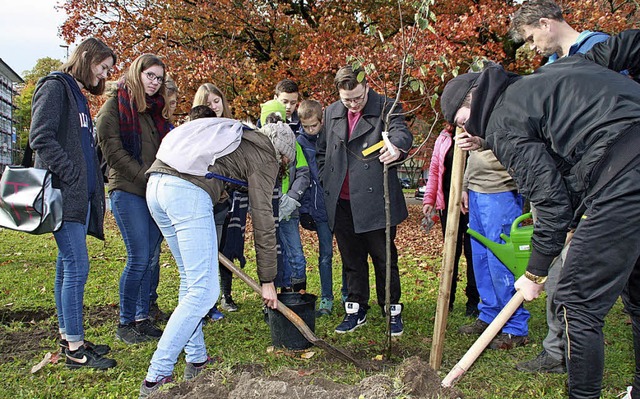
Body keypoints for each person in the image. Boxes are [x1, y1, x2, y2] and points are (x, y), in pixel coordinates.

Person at [440, 30, 640, 399]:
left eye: (461, 120)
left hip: (623, 177)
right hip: (622, 178)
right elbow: (629, 44)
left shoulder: (502, 122)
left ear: (475, 100)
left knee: (577, 303)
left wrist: (535, 271)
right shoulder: (563, 69)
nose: (465, 131)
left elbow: (549, 202)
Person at [139, 110, 295, 398]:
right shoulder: (266, 155)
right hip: (185, 191)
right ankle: (156, 376)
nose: (283, 166)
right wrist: (268, 279)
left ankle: (196, 359)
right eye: (286, 161)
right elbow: (264, 220)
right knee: (204, 291)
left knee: (191, 282)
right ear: (283, 154)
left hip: (157, 186)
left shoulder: (235, 136)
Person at [509, 0, 611, 374]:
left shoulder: (599, 51)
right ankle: (557, 348)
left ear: (547, 23)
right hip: (558, 186)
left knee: (571, 276)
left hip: (596, 185)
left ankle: (570, 349)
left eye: (532, 37)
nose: (533, 46)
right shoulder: (550, 67)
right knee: (554, 270)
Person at [29, 37, 117, 369]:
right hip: (63, 196)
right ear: (86, 58)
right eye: (102, 67)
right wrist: (72, 175)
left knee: (67, 267)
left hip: (79, 199)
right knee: (77, 267)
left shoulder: (77, 93)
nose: (104, 75)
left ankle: (70, 338)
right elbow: (39, 137)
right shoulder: (54, 86)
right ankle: (76, 351)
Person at [317, 66, 413, 336]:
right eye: (347, 99)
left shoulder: (385, 107)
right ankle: (355, 309)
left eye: (358, 98)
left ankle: (391, 310)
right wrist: (327, 179)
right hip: (342, 202)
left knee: (384, 259)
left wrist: (396, 147)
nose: (353, 104)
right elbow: (322, 152)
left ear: (367, 87)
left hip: (375, 201)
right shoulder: (331, 111)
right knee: (351, 260)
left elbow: (401, 132)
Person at [96, 53, 172, 344]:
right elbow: (113, 153)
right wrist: (147, 176)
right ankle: (126, 322)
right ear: (136, 72)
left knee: (151, 257)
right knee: (139, 256)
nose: (154, 82)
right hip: (127, 190)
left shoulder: (155, 110)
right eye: (150, 75)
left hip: (154, 191)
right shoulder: (114, 107)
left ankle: (142, 318)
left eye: (159, 78)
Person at [458, 142, 528, 349]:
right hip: (476, 190)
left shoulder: (503, 113)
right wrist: (465, 186)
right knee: (481, 258)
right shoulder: (471, 117)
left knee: (501, 260)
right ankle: (490, 314)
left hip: (501, 191)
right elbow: (471, 156)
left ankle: (515, 326)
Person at [422, 123, 479, 318]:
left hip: (473, 203)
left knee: (473, 253)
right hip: (447, 203)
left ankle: (474, 301)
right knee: (451, 253)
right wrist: (429, 199)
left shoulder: (477, 134)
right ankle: (448, 299)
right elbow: (435, 171)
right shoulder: (444, 138)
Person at [193, 82, 240, 317]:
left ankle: (226, 294)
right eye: (208, 103)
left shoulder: (232, 128)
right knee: (208, 251)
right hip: (207, 199)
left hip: (230, 198)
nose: (214, 106)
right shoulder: (196, 133)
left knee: (228, 247)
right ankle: (207, 302)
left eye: (216, 101)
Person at [297, 99, 344, 316]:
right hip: (319, 209)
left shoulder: (333, 137)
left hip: (339, 205)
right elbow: (304, 178)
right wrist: (305, 210)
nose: (310, 130)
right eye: (306, 126)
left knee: (347, 254)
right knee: (325, 255)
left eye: (313, 126)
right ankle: (326, 298)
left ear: (321, 121)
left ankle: (348, 294)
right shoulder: (300, 143)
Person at [261, 99, 310, 293]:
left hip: (289, 209)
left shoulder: (293, 143)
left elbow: (303, 173)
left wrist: (291, 198)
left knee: (295, 252)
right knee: (270, 253)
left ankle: (298, 291)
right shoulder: (258, 145)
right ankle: (273, 290)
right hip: (266, 209)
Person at [149, 73, 179, 323]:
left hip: (161, 190)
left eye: (176, 104)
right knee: (145, 255)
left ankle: (151, 303)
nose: (173, 108)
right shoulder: (153, 125)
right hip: (149, 188)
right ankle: (142, 308)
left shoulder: (170, 128)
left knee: (154, 253)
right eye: (169, 104)